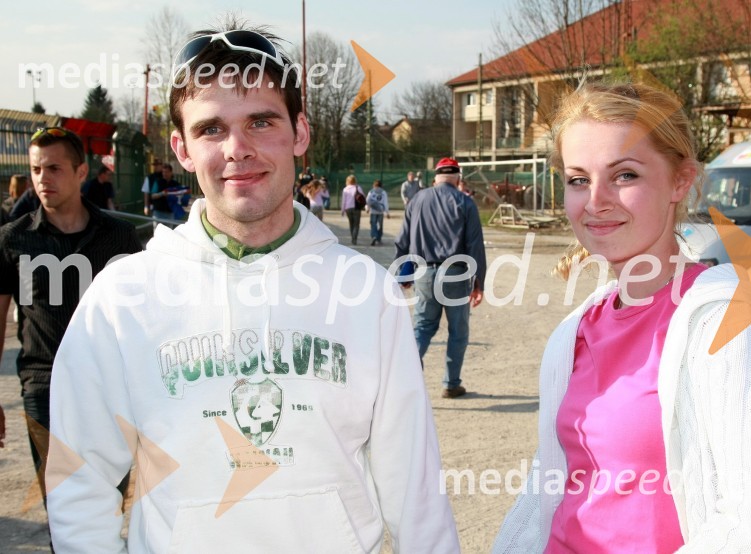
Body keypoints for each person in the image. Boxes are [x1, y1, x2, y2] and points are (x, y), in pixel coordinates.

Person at [46, 18, 459, 553]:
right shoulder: (123, 298)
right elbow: (79, 481)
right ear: (182, 149)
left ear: (300, 133)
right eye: (211, 128)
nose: (237, 148)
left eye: (261, 121)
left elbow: (415, 489)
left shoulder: (365, 292)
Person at [492, 82, 751, 552]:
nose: (595, 199)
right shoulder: (577, 328)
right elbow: (553, 483)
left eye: (624, 175)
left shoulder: (720, 322)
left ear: (680, 180)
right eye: (579, 179)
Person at [0, 127, 142, 509]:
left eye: (54, 168)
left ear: (81, 172)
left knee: (107, 506)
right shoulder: (12, 240)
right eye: (36, 169)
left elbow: (140, 318)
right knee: (63, 511)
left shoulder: (120, 237)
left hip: (107, 387)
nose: (43, 179)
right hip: (43, 388)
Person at [394, 157, 486, 399]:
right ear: (457, 178)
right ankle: (451, 384)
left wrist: (403, 274)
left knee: (422, 327)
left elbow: (402, 240)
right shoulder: (465, 202)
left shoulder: (416, 200)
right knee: (458, 331)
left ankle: (404, 379)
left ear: (435, 178)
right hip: (456, 273)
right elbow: (475, 246)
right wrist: (479, 282)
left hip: (423, 272)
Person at [341, 174, 364, 245]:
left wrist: (342, 210)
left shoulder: (345, 189)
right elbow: (363, 196)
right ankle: (354, 238)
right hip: (356, 208)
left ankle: (352, 237)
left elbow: (343, 200)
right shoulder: (358, 188)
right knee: (356, 224)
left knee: (351, 224)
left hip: (348, 208)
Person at [366, 179, 390, 246]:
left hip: (373, 211)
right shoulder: (383, 192)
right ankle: (379, 238)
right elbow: (385, 203)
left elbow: (368, 201)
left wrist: (367, 208)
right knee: (380, 225)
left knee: (373, 224)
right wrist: (387, 212)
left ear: (374, 185)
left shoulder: (371, 191)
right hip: (380, 211)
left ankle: (374, 236)